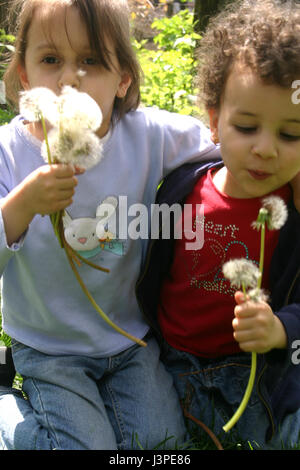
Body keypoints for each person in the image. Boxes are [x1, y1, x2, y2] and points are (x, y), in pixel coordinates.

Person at [0, 0, 220, 450]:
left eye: (90, 61)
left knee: (161, 445)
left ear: (123, 79)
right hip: (48, 345)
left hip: (127, 337)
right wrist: (20, 207)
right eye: (50, 60)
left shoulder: (146, 133)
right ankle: (5, 406)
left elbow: (219, 149)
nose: (67, 79)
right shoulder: (9, 151)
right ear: (24, 75)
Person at [136, 0, 300, 450]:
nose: (266, 149)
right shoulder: (182, 190)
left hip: (250, 369)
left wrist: (281, 328)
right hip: (166, 358)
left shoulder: (294, 213)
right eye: (247, 126)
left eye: (291, 134)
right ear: (213, 120)